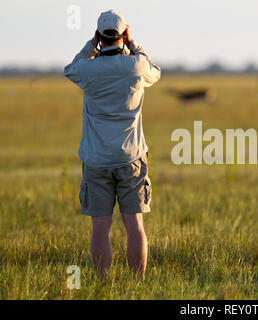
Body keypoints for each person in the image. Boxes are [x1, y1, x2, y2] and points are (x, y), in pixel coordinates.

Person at [64, 10, 161, 277]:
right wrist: (134, 44)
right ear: (123, 35)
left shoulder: (88, 69)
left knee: (100, 228)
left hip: (96, 159)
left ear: (99, 36)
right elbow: (155, 70)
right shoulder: (135, 66)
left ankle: (102, 283)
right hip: (132, 158)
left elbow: (70, 69)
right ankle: (136, 284)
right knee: (135, 225)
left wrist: (89, 46)